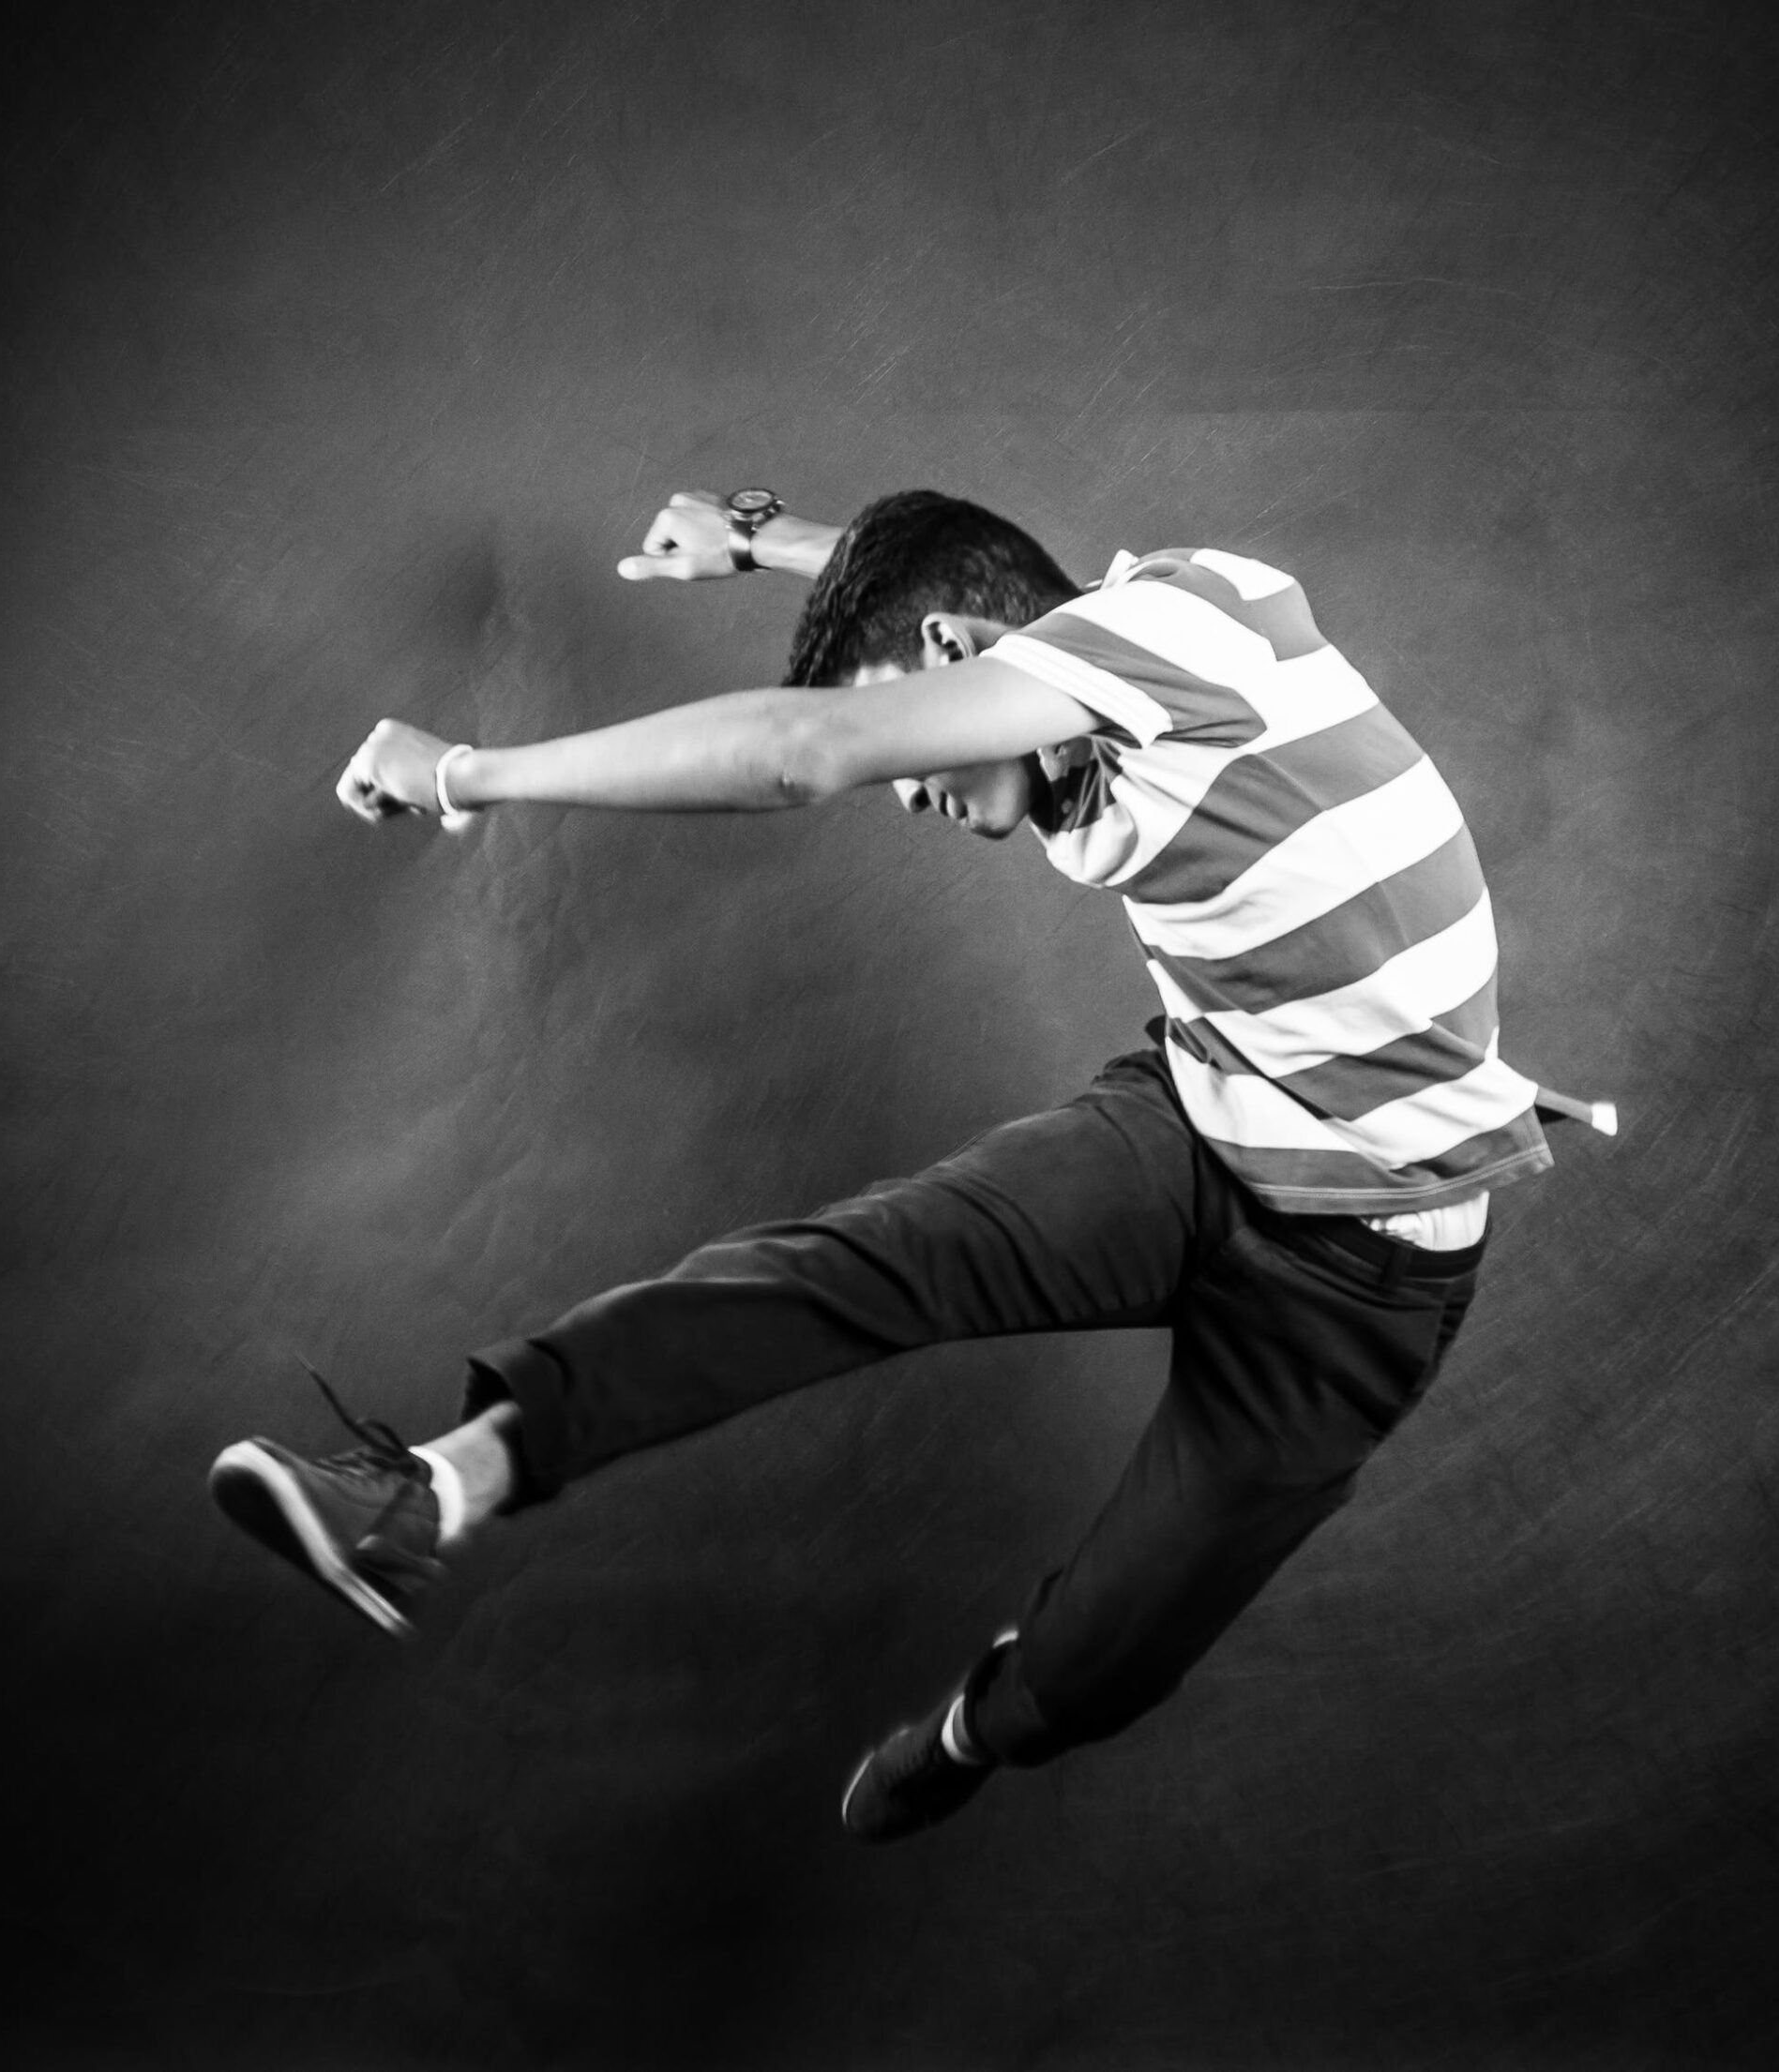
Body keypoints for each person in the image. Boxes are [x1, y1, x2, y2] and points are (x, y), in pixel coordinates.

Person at [208, 486, 1610, 1843]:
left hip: (1356, 1283)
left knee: (1107, 1656)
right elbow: (968, 577)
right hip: (1196, 1120)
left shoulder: (1184, 633)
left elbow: (801, 749)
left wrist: (469, 771)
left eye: (903, 729)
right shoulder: (1077, 631)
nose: (901, 783)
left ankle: (977, 1728)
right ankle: (429, 1489)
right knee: (854, 1265)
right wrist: (765, 546)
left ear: (954, 662)